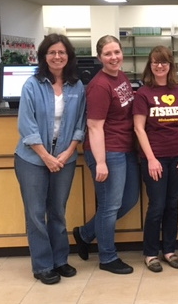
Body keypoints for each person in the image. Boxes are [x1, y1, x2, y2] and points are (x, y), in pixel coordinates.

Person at [14, 34, 86, 284]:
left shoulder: (76, 85)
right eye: (52, 52)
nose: (57, 57)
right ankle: (43, 265)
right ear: (44, 56)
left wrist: (68, 153)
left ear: (69, 56)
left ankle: (60, 260)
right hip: (32, 159)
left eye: (62, 52)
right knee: (35, 213)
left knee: (58, 211)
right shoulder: (32, 85)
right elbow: (27, 125)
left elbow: (80, 124)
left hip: (64, 158)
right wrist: (46, 156)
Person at [72, 35, 140, 274]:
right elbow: (94, 126)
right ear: (100, 57)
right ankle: (107, 257)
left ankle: (85, 233)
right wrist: (100, 162)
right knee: (110, 206)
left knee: (129, 200)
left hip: (126, 148)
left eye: (116, 52)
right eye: (108, 54)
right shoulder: (99, 85)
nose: (114, 57)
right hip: (108, 152)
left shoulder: (120, 76)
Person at [133, 46, 178, 272]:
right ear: (150, 65)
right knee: (156, 206)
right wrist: (151, 159)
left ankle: (169, 250)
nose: (160, 66)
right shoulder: (143, 94)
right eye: (155, 62)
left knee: (172, 206)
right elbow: (139, 129)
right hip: (154, 159)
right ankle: (150, 254)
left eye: (164, 62)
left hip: (177, 158)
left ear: (170, 66)